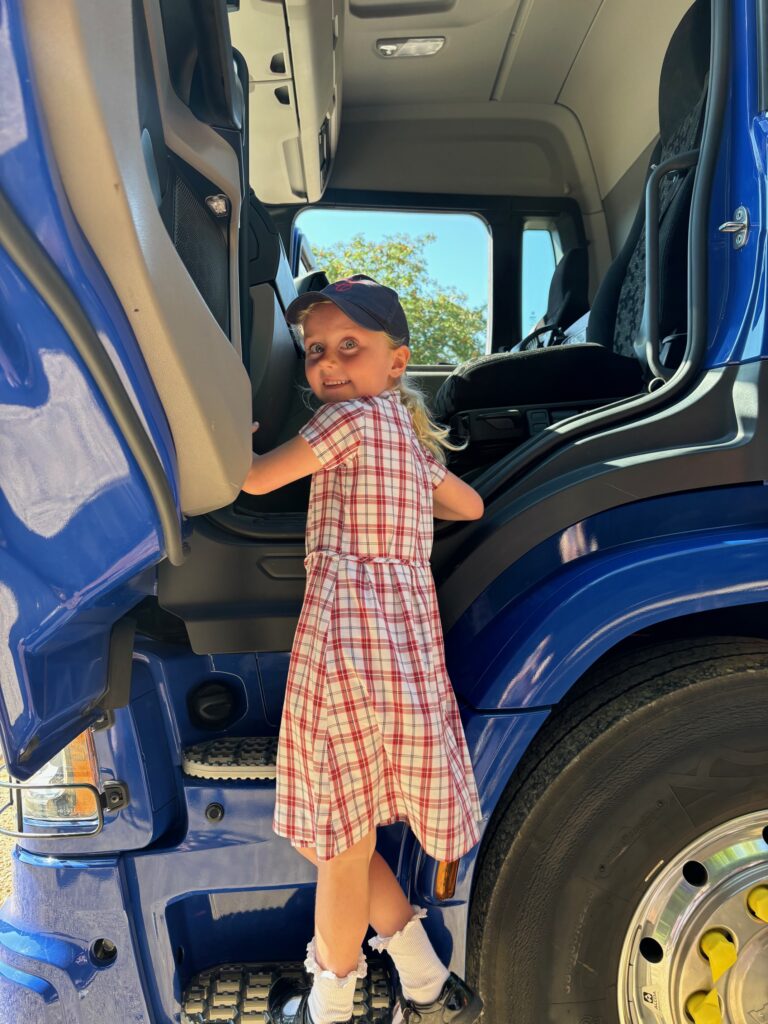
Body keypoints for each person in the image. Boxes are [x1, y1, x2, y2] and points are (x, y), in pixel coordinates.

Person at [241, 274, 486, 1024]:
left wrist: (218, 435)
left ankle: (329, 1006)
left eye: (352, 345)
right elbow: (470, 505)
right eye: (316, 350)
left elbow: (253, 482)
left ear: (397, 359)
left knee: (339, 845)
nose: (328, 365)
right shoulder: (405, 436)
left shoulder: (342, 426)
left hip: (347, 648)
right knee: (347, 838)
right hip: (403, 652)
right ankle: (423, 982)